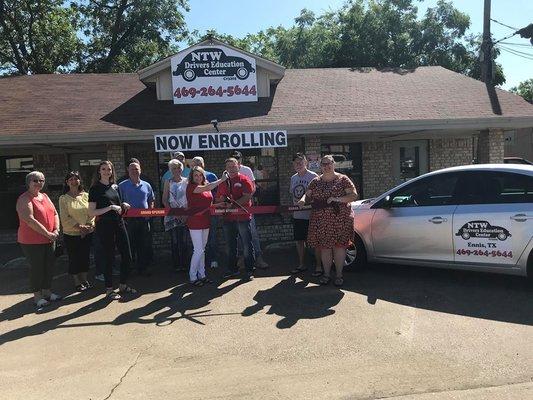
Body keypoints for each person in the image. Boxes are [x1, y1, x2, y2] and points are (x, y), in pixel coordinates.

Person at [297, 155, 358, 287]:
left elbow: (353, 195)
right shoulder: (315, 181)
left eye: (329, 163)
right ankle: (326, 275)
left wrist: (337, 199)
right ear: (320, 166)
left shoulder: (343, 179)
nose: (326, 166)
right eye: (323, 164)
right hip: (321, 221)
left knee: (339, 248)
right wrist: (302, 200)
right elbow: (307, 195)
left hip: (340, 220)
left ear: (333, 164)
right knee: (325, 249)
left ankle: (339, 275)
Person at [88, 160, 135, 300]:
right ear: (99, 171)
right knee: (109, 257)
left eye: (109, 169)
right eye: (103, 169)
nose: (106, 172)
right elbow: (91, 212)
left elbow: (117, 204)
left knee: (127, 255)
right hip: (105, 225)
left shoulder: (115, 186)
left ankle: (122, 285)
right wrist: (110, 208)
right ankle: (109, 289)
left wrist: (123, 204)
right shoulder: (95, 188)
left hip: (119, 222)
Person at [16, 171, 61, 309]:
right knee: (37, 268)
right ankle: (37, 296)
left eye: (41, 180)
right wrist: (48, 233)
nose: (39, 183)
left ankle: (47, 292)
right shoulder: (24, 199)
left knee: (49, 266)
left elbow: (54, 213)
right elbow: (30, 220)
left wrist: (56, 230)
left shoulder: (45, 196)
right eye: (35, 180)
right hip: (32, 241)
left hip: (49, 239)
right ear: (28, 182)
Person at [186, 166, 228, 286]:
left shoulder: (205, 187)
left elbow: (208, 205)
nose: (198, 177)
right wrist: (221, 180)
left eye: (200, 175)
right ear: (192, 177)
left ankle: (202, 275)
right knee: (198, 250)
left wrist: (220, 204)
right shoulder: (191, 187)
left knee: (202, 250)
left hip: (205, 220)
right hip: (195, 222)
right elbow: (208, 187)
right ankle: (193, 277)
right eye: (195, 175)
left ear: (203, 176)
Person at [216, 158, 255, 281]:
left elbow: (247, 196)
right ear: (226, 168)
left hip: (243, 217)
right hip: (228, 218)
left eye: (233, 166)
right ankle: (232, 269)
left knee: (247, 245)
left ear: (238, 166)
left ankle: (249, 270)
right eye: (229, 167)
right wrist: (223, 202)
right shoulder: (223, 182)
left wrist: (232, 205)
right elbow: (218, 198)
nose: (231, 169)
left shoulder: (244, 179)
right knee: (230, 246)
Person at [230, 150, 269, 269]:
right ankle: (243, 258)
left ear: (241, 159)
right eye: (234, 158)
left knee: (252, 233)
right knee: (238, 235)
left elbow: (252, 189)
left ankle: (258, 258)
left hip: (247, 207)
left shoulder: (247, 170)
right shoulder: (227, 171)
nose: (237, 160)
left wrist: (243, 200)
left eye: (238, 158)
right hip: (234, 208)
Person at [59, 171, 95, 292]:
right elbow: (65, 217)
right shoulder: (63, 198)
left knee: (85, 257)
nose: (74, 181)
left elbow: (92, 212)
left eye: (76, 179)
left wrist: (89, 225)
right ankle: (77, 281)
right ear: (67, 182)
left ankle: (84, 279)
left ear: (80, 181)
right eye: (71, 180)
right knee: (74, 258)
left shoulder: (86, 195)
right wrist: (80, 227)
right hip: (71, 234)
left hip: (87, 233)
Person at [119, 161, 155, 277]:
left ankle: (143, 268)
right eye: (132, 169)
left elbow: (151, 200)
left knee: (144, 245)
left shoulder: (147, 185)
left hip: (144, 220)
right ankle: (130, 269)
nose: (135, 171)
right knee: (130, 245)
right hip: (128, 221)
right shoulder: (122, 185)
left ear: (140, 170)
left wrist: (150, 212)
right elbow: (117, 201)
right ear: (128, 171)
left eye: (137, 169)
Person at [288, 153, 321, 276]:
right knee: (299, 241)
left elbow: (317, 195)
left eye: (301, 162)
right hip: (298, 216)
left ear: (306, 163)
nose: (298, 165)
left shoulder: (313, 176)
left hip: (311, 215)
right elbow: (293, 195)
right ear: (293, 164)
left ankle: (318, 266)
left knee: (315, 242)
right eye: (296, 163)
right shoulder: (293, 178)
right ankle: (301, 265)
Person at [191, 156, 220, 269]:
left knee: (212, 236)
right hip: (196, 215)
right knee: (198, 243)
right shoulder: (190, 179)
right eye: (195, 163)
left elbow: (216, 193)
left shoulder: (211, 176)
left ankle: (213, 259)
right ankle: (198, 265)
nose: (197, 165)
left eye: (199, 163)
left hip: (210, 212)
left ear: (204, 164)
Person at [162, 158, 189, 272]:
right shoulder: (168, 182)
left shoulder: (187, 181)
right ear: (170, 170)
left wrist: (185, 214)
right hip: (172, 215)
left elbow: (190, 199)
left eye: (178, 168)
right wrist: (175, 213)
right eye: (174, 168)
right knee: (175, 241)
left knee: (184, 241)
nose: (176, 170)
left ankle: (184, 264)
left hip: (185, 214)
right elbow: (164, 200)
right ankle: (176, 264)